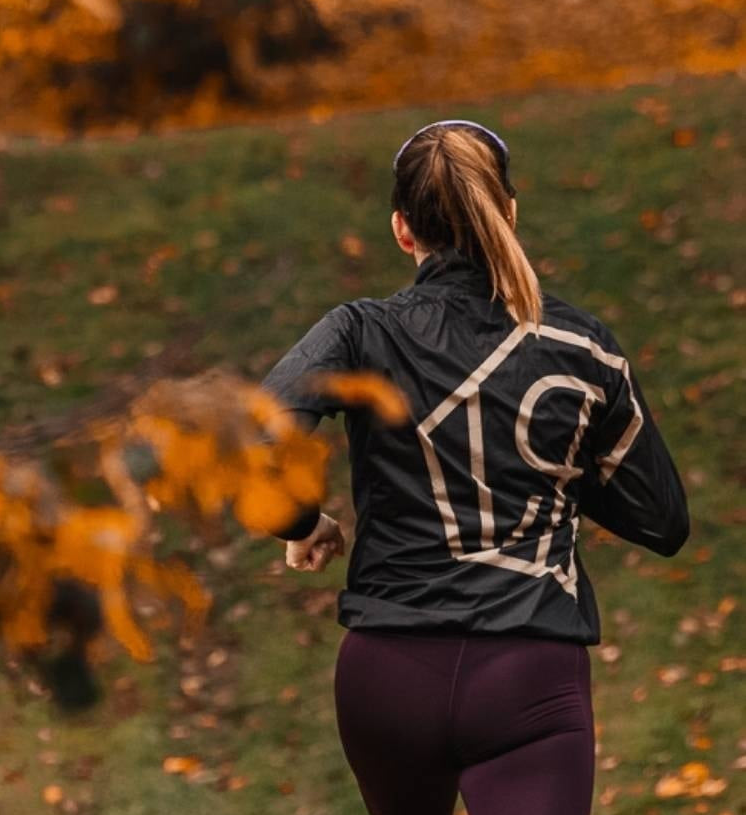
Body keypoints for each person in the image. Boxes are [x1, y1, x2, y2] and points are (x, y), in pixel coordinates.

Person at [260, 120, 690, 815]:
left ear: (402, 230)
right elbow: (663, 519)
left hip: (387, 675)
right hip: (528, 678)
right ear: (510, 212)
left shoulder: (357, 332)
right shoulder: (584, 350)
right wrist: (555, 465)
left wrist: (301, 520)